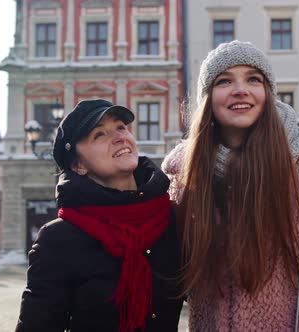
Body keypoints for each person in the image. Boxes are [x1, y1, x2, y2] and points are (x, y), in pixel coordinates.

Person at [162, 40, 299, 331]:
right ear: (207, 99)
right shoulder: (186, 174)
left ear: (267, 93)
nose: (241, 89)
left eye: (253, 79)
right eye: (224, 81)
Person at [15, 99, 183, 332]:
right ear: (78, 166)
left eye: (121, 127)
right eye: (99, 135)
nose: (119, 137)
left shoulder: (172, 219)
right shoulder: (58, 239)